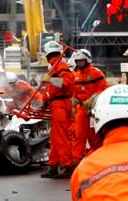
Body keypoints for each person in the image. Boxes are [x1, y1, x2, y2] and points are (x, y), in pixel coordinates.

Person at [40, 41, 75, 179]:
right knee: (55, 138)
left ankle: (67, 165)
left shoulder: (60, 65)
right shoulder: (56, 66)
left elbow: (67, 84)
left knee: (61, 137)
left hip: (61, 104)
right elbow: (51, 89)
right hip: (57, 104)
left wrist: (51, 81)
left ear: (48, 55)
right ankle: (53, 165)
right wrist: (44, 101)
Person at [71, 49, 108, 163]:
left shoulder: (96, 73)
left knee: (94, 136)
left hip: (94, 109)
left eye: (81, 61)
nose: (79, 63)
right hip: (82, 109)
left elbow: (103, 89)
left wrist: (92, 100)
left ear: (87, 60)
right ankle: (76, 160)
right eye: (77, 61)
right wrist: (74, 102)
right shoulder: (76, 76)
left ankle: (98, 158)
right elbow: (75, 93)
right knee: (79, 135)